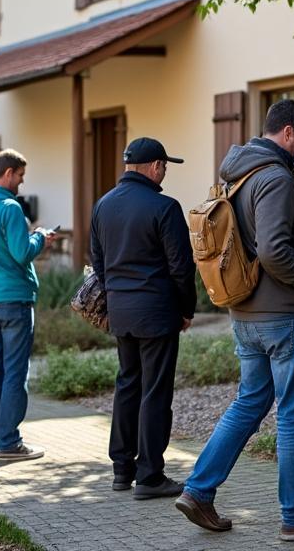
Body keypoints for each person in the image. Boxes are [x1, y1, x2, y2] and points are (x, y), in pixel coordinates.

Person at [176, 100, 294, 542]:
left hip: (247, 313)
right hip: (284, 315)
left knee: (249, 402)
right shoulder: (275, 178)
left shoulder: (238, 172)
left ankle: (198, 491)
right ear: (288, 132)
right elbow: (273, 249)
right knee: (293, 415)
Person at [90, 137, 195, 499]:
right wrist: (186, 309)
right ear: (153, 166)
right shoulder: (165, 207)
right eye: (164, 166)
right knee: (155, 391)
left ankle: (122, 469)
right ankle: (150, 476)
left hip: (121, 312)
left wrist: (116, 297)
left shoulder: (102, 205)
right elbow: (181, 267)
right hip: (158, 312)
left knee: (128, 384)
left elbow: (98, 264)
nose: (164, 173)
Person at [0, 149, 56, 461]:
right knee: (15, 373)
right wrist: (40, 237)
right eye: (20, 176)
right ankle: (10, 442)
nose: (21, 183)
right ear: (8, 174)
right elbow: (21, 252)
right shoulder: (10, 207)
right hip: (14, 299)